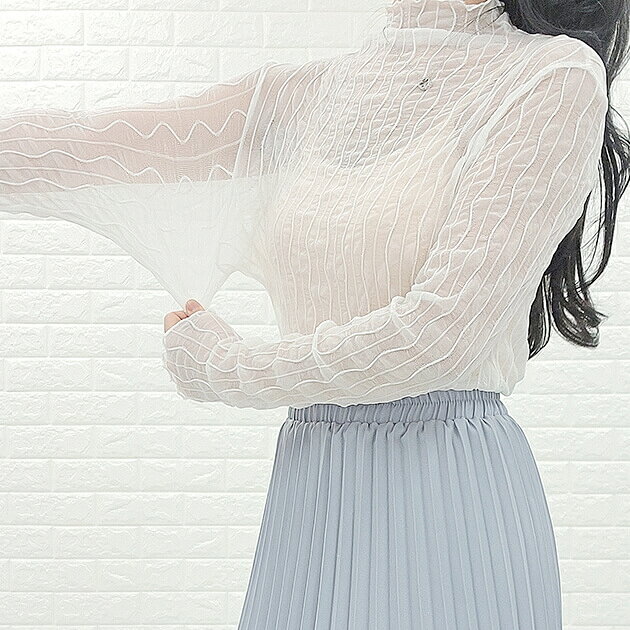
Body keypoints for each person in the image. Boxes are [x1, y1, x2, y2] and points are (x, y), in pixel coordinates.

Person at [0, 0, 628, 627]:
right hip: (310, 495)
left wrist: (227, 367)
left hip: (445, 500)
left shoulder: (551, 77)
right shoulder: (307, 95)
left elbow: (441, 337)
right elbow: (93, 146)